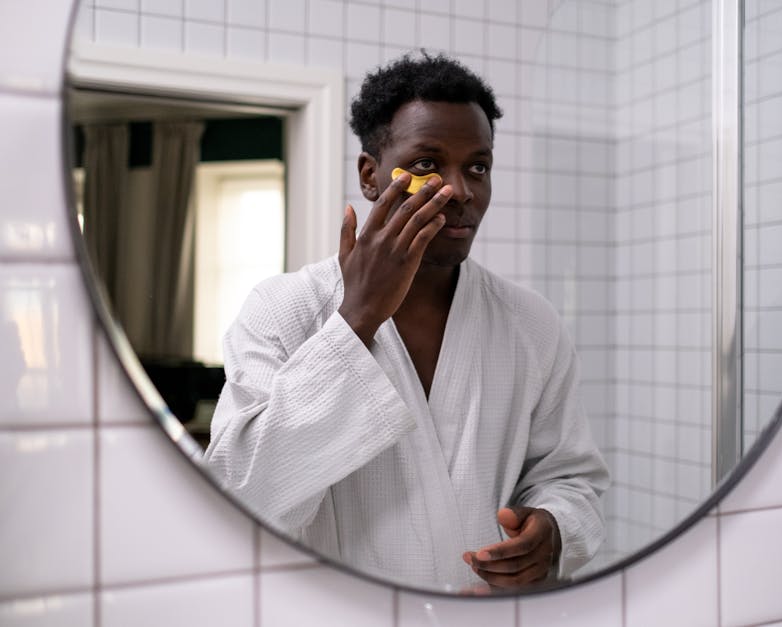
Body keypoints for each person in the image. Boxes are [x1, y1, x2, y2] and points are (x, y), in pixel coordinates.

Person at [204, 52, 609, 591]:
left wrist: (553, 531)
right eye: (426, 165)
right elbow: (240, 497)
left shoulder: (531, 324)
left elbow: (570, 477)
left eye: (478, 167)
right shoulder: (282, 310)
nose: (460, 190)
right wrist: (356, 320)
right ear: (370, 176)